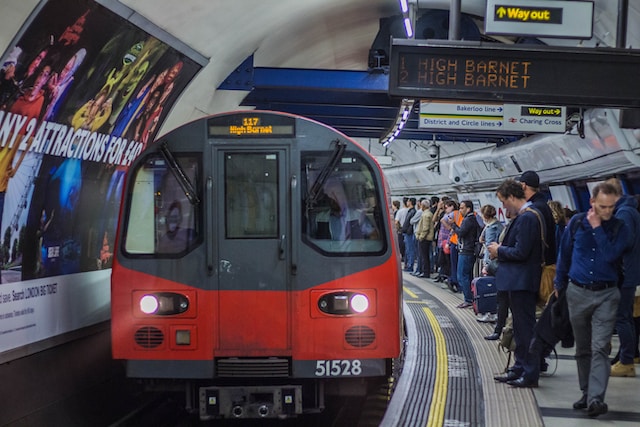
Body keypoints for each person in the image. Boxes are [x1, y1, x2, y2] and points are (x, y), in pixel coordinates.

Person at [554, 182, 630, 417]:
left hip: (607, 294)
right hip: (577, 292)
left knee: (599, 348)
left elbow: (610, 255)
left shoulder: (620, 227)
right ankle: (587, 393)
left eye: (611, 207)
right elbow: (564, 254)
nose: (607, 211)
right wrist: (559, 283)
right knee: (583, 348)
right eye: (603, 206)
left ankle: (597, 398)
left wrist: (597, 228)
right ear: (592, 202)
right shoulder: (576, 223)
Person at [489, 179, 543, 388]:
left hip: (522, 281)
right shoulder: (526, 217)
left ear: (512, 197)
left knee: (525, 328)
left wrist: (499, 250)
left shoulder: (528, 218)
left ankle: (529, 372)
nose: (503, 207)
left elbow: (522, 252)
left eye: (504, 202)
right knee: (520, 328)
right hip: (518, 281)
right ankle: (520, 367)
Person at [605, 178, 640, 377]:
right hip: (629, 272)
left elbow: (621, 244)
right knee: (626, 317)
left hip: (625, 273)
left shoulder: (624, 213)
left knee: (622, 317)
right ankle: (626, 355)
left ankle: (626, 362)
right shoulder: (629, 210)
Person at [449, 200, 480, 308]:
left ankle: (468, 299)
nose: (460, 210)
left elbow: (461, 232)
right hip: (468, 250)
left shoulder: (468, 220)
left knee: (462, 276)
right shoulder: (472, 219)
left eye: (462, 208)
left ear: (468, 209)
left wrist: (453, 224)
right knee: (467, 275)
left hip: (466, 251)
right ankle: (470, 298)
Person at [477, 204, 504, 322]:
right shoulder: (498, 225)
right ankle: (495, 312)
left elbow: (489, 247)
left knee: (490, 288)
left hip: (491, 261)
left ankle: (491, 313)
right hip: (497, 261)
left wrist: (486, 265)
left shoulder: (491, 228)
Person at [415, 199, 434, 278]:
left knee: (424, 256)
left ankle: (425, 272)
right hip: (427, 238)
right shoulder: (428, 214)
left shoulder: (426, 215)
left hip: (425, 238)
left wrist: (421, 237)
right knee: (425, 255)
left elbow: (425, 228)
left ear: (423, 206)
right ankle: (426, 271)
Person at [401, 197, 417, 272]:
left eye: (408, 201)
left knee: (410, 250)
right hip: (407, 232)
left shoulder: (412, 212)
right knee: (408, 250)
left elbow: (409, 223)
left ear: (410, 202)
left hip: (409, 233)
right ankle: (408, 265)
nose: (407, 202)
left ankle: (410, 266)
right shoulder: (410, 211)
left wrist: (405, 230)